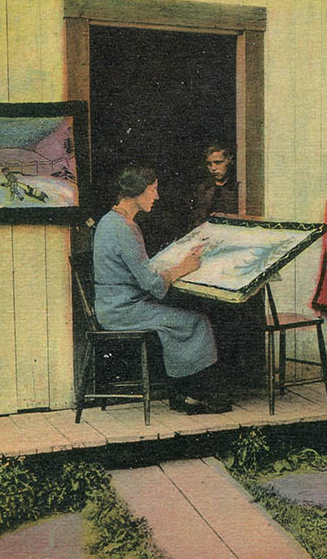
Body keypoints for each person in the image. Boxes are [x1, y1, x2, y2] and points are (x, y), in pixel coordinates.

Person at [92, 166, 231, 414]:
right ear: (138, 192)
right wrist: (183, 267)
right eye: (153, 189)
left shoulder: (108, 220)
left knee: (183, 317)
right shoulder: (126, 228)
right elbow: (154, 286)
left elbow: (138, 272)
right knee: (196, 322)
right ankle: (192, 395)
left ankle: (183, 392)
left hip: (112, 306)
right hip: (124, 311)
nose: (156, 196)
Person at [188, 143, 240, 232]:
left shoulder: (238, 187)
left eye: (218, 163)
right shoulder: (203, 188)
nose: (213, 168)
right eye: (209, 164)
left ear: (229, 160)